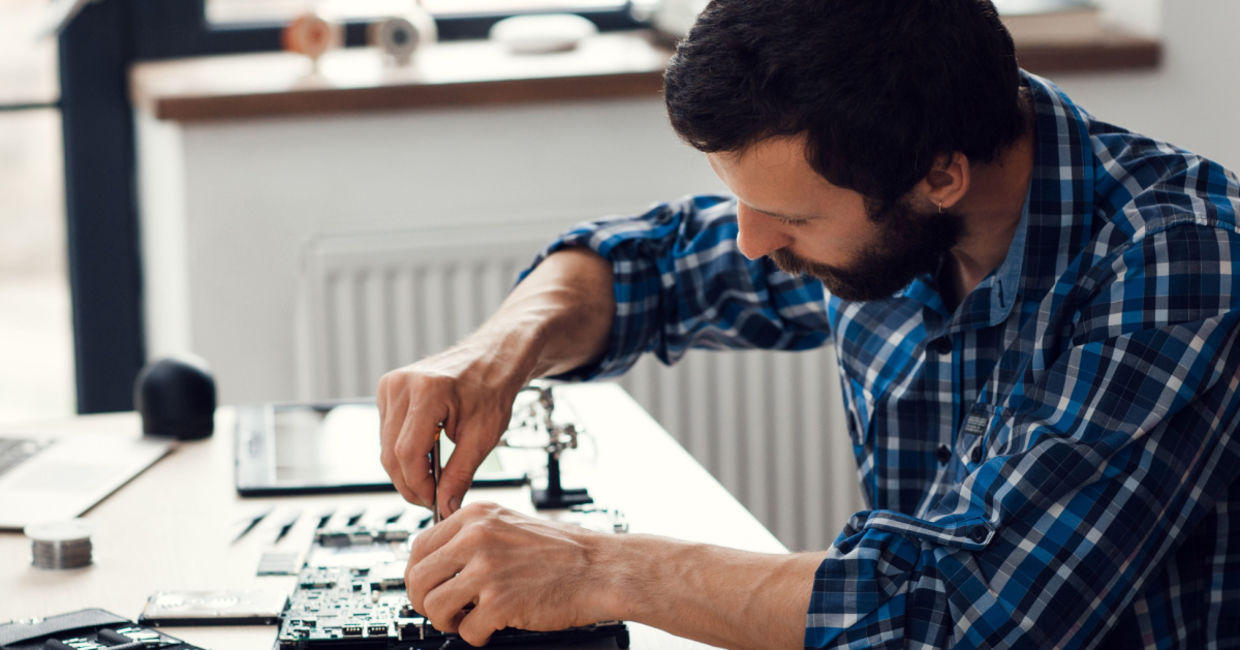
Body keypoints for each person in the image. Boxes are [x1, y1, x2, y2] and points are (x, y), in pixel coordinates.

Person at [376, 1, 1240, 647]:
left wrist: (597, 567)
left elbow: (960, 614)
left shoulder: (1180, 264)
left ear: (939, 179)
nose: (751, 241)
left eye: (787, 217)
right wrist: (495, 351)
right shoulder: (889, 200)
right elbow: (654, 267)